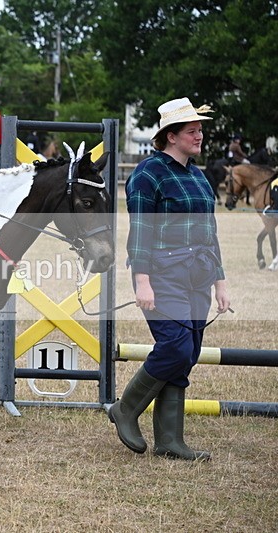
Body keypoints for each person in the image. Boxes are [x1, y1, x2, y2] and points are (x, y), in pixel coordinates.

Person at [110, 97, 231, 461]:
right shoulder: (148, 174)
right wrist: (142, 280)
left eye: (200, 130)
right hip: (162, 275)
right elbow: (141, 232)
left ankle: (169, 441)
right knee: (175, 346)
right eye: (192, 131)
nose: (200, 136)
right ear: (171, 136)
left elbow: (210, 231)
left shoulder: (199, 176)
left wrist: (220, 282)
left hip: (199, 275)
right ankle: (125, 409)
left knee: (188, 353)